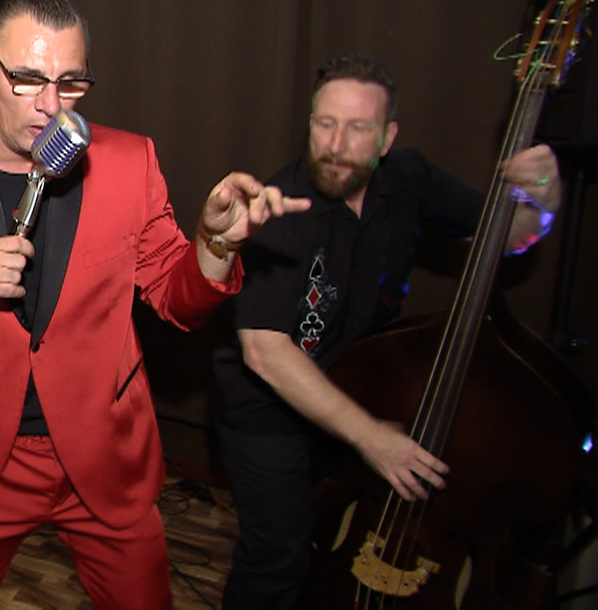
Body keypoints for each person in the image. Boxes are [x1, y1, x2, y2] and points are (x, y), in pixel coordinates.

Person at [0, 0, 308, 609]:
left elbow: (177, 297)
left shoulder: (129, 161)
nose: (51, 106)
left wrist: (216, 246)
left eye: (70, 83)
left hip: (104, 456)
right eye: (28, 80)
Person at [211, 53, 562, 609]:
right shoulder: (278, 207)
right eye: (325, 124)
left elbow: (511, 235)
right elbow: (265, 351)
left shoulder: (409, 179)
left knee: (331, 547)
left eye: (357, 128)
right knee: (276, 559)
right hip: (266, 415)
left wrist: (543, 203)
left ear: (387, 137)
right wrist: (370, 437)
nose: (335, 144)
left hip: (352, 392)